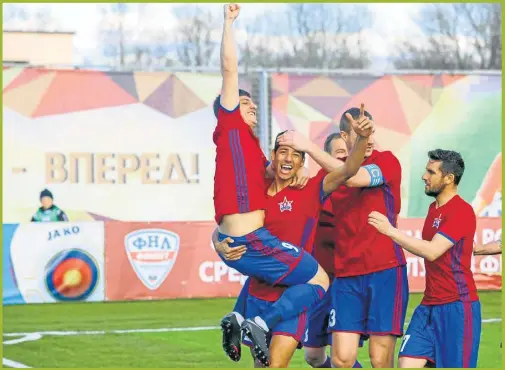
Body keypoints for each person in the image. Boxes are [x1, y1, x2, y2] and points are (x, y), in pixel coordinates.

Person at [212, 4, 334, 365]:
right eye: (242, 102)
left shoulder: (251, 151)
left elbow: (280, 173)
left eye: (249, 103)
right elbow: (229, 68)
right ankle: (259, 323)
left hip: (244, 240)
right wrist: (228, 23)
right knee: (318, 281)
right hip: (249, 240)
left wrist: (295, 166)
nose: (248, 106)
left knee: (281, 274)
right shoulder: (231, 126)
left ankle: (237, 318)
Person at [215, 118, 372, 367]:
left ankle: (245, 318)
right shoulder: (256, 190)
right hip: (260, 289)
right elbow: (228, 221)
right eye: (283, 152)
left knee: (277, 364)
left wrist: (361, 139)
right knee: (263, 366)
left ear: (302, 162)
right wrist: (217, 240)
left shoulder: (312, 187)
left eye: (296, 155)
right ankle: (241, 318)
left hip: (295, 295)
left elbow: (349, 170)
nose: (288, 159)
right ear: (273, 156)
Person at [312, 108, 409, 369]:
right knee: (342, 360)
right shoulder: (328, 177)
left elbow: (355, 177)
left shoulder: (387, 161)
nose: (369, 138)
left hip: (385, 271)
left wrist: (308, 147)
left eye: (371, 132)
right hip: (346, 276)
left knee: (380, 359)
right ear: (344, 136)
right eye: (360, 133)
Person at [368, 149, 481, 368]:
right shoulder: (433, 208)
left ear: (449, 178)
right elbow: (455, 246)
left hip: (458, 308)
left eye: (431, 172)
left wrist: (390, 231)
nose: (424, 176)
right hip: (428, 306)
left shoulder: (462, 211)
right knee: (406, 363)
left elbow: (432, 251)